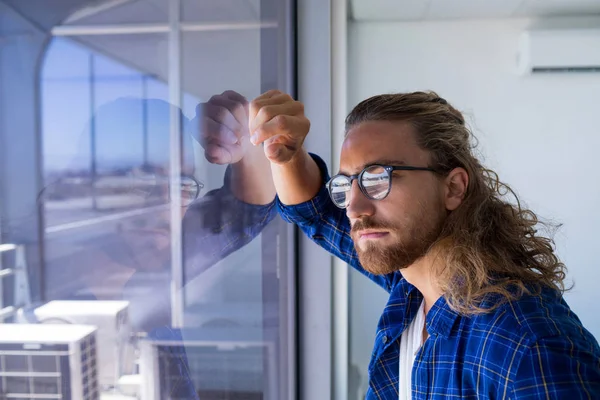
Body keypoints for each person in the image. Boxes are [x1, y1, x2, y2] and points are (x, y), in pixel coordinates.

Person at [249, 89, 600, 398]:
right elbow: (317, 212)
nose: (354, 208)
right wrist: (287, 155)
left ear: (453, 188)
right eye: (348, 184)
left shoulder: (528, 346)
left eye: (378, 177)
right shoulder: (414, 285)